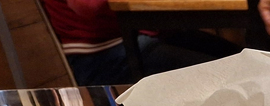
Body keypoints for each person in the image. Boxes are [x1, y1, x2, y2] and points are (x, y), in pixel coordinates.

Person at [41, 0, 239, 86]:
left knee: (242, 60)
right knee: (233, 75)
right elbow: (87, 5)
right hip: (99, 56)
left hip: (137, 36)